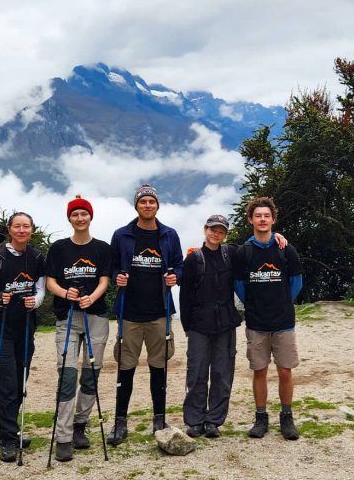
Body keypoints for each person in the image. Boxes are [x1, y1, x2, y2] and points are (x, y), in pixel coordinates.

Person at [180, 215, 288, 439]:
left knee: (222, 373)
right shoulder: (193, 259)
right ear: (205, 229)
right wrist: (186, 325)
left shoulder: (232, 253)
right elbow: (185, 295)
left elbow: (257, 243)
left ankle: (214, 421)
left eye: (220, 231)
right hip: (199, 323)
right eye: (212, 229)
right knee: (197, 373)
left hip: (226, 323)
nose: (215, 234)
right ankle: (195, 420)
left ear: (225, 234)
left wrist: (275, 236)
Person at [107, 184, 184, 444]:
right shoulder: (122, 235)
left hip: (159, 311)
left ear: (157, 205)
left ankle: (159, 419)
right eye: (143, 202)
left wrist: (177, 276)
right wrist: (117, 276)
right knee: (125, 368)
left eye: (152, 201)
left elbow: (180, 266)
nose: (148, 205)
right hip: (128, 311)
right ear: (137, 206)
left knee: (158, 367)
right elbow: (112, 266)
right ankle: (120, 422)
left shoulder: (169, 235)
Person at [45, 195, 111, 462]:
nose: (80, 218)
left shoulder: (102, 248)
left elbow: (105, 280)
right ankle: (63, 436)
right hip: (67, 317)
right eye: (75, 214)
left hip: (95, 315)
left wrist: (91, 297)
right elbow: (50, 281)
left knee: (91, 376)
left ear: (90, 217)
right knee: (68, 375)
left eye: (84, 214)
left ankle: (80, 425)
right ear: (69, 218)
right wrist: (66, 293)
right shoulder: (59, 248)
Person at [233, 196, 304, 441]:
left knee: (285, 371)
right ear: (251, 219)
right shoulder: (244, 252)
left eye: (266, 216)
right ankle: (261, 417)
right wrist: (254, 305)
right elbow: (240, 285)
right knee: (259, 370)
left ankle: (287, 417)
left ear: (273, 219)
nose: (262, 220)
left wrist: (284, 302)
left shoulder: (286, 249)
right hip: (256, 322)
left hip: (283, 321)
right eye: (258, 216)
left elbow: (296, 282)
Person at [0, 212, 46, 462]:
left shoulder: (37, 256)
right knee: (6, 385)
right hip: (0, 330)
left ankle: (6, 430)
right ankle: (9, 439)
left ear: (31, 229)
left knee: (19, 383)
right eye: (17, 226)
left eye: (26, 226)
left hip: (26, 329)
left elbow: (41, 289)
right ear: (10, 229)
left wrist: (35, 301)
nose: (21, 230)